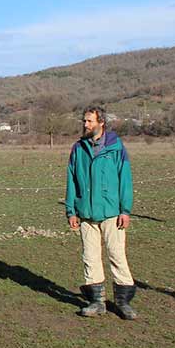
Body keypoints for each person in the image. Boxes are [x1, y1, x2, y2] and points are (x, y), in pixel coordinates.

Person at [65, 105, 137, 319]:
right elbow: (71, 180)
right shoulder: (78, 149)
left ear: (100, 122)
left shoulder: (116, 148)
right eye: (84, 121)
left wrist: (125, 210)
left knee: (117, 256)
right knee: (90, 257)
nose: (85, 124)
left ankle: (123, 303)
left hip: (112, 212)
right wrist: (71, 211)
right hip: (86, 214)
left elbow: (125, 180)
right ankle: (97, 302)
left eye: (89, 121)